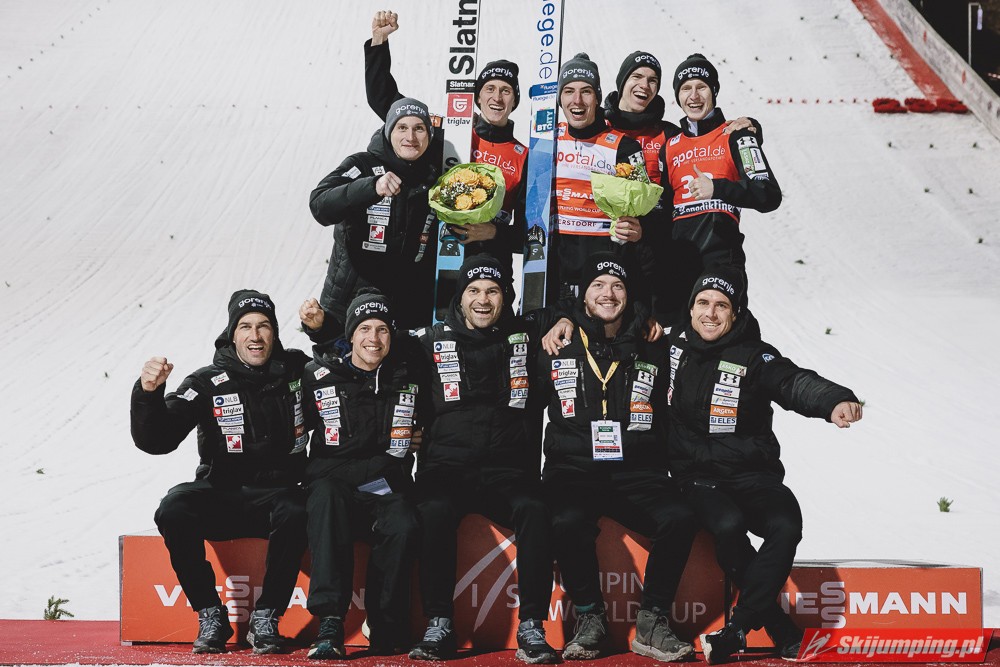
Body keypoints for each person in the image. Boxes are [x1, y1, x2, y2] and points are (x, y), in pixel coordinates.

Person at [663, 268, 863, 663]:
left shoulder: (755, 355)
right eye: (703, 303)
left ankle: (738, 628)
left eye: (721, 306)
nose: (710, 313)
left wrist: (833, 400)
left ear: (735, 313)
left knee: (786, 524)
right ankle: (780, 628)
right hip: (698, 476)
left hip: (751, 472)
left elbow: (792, 382)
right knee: (728, 525)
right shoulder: (671, 346)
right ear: (690, 309)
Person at [534, 253, 697, 662]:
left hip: (636, 470)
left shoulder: (651, 342)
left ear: (629, 295)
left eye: (618, 286)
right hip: (573, 468)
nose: (608, 294)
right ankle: (590, 617)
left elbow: (672, 409)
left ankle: (652, 620)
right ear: (583, 295)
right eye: (598, 285)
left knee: (679, 516)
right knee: (566, 521)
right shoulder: (557, 338)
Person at [129, 290, 309, 655]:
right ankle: (210, 614)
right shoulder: (206, 382)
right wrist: (148, 393)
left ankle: (267, 617)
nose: (255, 336)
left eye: (263, 326)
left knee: (299, 508)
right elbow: (158, 439)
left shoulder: (297, 371)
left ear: (274, 332)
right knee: (174, 507)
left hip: (280, 495)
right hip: (222, 492)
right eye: (245, 327)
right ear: (232, 334)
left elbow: (346, 378)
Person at [406, 254, 558, 665]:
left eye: (492, 291)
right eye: (473, 291)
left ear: (506, 297)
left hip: (508, 471)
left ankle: (532, 626)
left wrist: (564, 321)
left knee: (535, 509)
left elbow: (578, 312)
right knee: (433, 511)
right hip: (445, 469)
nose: (483, 300)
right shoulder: (429, 342)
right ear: (460, 298)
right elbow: (372, 358)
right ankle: (439, 623)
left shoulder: (526, 335)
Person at [297, 291, 421, 659]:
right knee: (326, 497)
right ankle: (330, 622)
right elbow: (291, 431)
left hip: (385, 487)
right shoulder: (317, 376)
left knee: (404, 521)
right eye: (364, 329)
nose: (374, 338)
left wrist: (425, 435)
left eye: (382, 329)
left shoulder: (407, 376)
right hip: (334, 485)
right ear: (349, 336)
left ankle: (384, 622)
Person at [365, 10, 527, 280]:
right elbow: (387, 103)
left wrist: (493, 232)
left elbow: (529, 234)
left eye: (506, 91)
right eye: (489, 89)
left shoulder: (524, 156)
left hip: (491, 265)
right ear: (477, 98)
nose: (497, 97)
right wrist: (379, 43)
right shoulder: (450, 133)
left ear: (514, 101)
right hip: (439, 258)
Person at [657, 53, 782, 323]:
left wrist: (718, 188)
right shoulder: (670, 146)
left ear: (714, 91)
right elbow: (663, 210)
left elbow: (768, 194)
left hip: (722, 263)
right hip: (679, 265)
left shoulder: (737, 135)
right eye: (685, 88)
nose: (694, 96)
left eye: (701, 87)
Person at [309, 97, 439, 336]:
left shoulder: (435, 176)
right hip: (348, 305)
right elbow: (320, 205)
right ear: (389, 131)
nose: (410, 137)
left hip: (406, 310)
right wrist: (371, 187)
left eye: (419, 128)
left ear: (429, 135)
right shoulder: (363, 165)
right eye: (402, 127)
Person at [552, 53, 647, 303]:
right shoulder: (546, 141)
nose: (577, 100)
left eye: (586, 92)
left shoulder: (625, 147)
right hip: (553, 275)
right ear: (560, 99)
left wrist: (638, 230)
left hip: (605, 278)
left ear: (597, 97)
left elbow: (647, 212)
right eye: (569, 91)